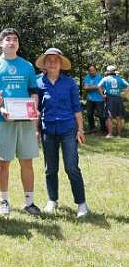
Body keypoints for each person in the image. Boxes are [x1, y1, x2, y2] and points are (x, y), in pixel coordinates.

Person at [0, 28, 41, 217]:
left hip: (25, 120)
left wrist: (34, 107)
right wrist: (0, 109)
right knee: (4, 163)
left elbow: (33, 90)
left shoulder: (27, 66)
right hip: (2, 120)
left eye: (15, 39)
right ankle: (4, 200)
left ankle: (30, 202)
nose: (11, 42)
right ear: (1, 44)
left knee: (27, 161)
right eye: (7, 39)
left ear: (18, 44)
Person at [35, 48, 88, 218]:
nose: (52, 62)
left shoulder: (70, 83)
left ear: (60, 63)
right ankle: (52, 200)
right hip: (48, 130)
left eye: (55, 60)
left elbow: (77, 108)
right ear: (44, 63)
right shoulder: (38, 83)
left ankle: (81, 204)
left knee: (71, 167)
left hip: (68, 130)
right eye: (48, 60)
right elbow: (36, 110)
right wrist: (36, 131)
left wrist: (80, 129)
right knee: (50, 168)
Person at [98, 65, 129, 138]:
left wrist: (102, 95)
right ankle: (119, 135)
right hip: (118, 98)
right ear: (115, 71)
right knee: (118, 118)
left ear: (108, 72)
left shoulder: (105, 78)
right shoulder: (120, 79)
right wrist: (125, 94)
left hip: (110, 99)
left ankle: (110, 134)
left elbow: (99, 86)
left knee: (109, 117)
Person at [83, 65, 106, 133]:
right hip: (90, 99)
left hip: (99, 99)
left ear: (96, 70)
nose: (92, 71)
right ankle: (92, 129)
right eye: (90, 70)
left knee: (101, 115)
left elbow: (102, 88)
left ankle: (103, 129)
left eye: (93, 70)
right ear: (88, 71)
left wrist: (90, 87)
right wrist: (96, 86)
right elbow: (85, 88)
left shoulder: (100, 77)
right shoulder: (87, 77)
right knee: (89, 114)